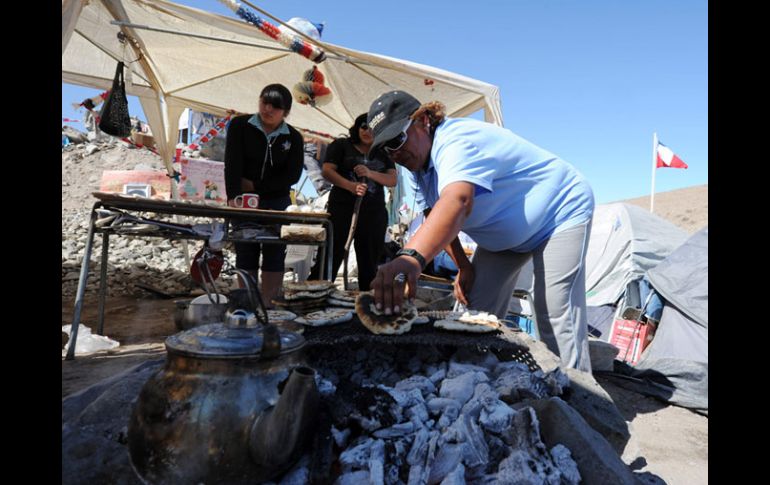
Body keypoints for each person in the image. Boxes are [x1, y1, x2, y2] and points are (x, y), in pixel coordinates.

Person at [367, 91, 595, 371]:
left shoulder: (456, 140)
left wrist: (411, 257)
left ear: (423, 121)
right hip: (505, 238)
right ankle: (466, 377)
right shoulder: (416, 170)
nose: (395, 154)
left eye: (397, 140)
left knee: (554, 310)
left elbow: (457, 201)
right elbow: (435, 219)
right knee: (471, 311)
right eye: (386, 149)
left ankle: (579, 395)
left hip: (559, 213)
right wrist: (463, 266)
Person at [224, 83, 304, 307]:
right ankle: (247, 303)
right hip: (243, 200)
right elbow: (232, 164)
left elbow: (292, 176)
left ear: (285, 112)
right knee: (245, 249)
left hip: (277, 202)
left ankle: (269, 304)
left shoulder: (294, 138)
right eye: (264, 102)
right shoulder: (239, 125)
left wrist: (256, 185)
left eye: (275, 106)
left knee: (275, 251)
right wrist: (233, 197)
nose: (268, 109)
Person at [308, 113, 397, 290]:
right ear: (357, 128)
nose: (367, 131)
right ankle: (315, 295)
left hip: (373, 212)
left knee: (369, 259)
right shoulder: (341, 145)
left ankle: (367, 301)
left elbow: (392, 179)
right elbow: (327, 171)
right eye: (364, 126)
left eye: (373, 127)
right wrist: (350, 186)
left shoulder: (383, 152)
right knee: (331, 253)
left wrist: (370, 174)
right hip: (342, 208)